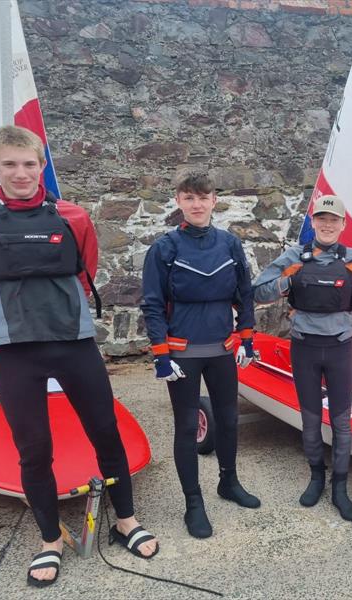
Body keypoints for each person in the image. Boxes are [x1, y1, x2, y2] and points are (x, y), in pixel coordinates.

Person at [0, 126, 158, 587]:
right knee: (34, 449)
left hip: (73, 343)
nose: (21, 173)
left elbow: (83, 270)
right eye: (10, 164)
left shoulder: (73, 216)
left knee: (105, 431)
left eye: (29, 163)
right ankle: (49, 539)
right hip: (14, 352)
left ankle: (126, 520)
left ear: (41, 166)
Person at [253, 194, 352, 521]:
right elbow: (258, 291)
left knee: (342, 419)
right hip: (304, 346)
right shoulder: (294, 256)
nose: (327, 225)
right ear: (313, 222)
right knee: (311, 417)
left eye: (334, 220)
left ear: (343, 225)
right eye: (322, 219)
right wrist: (290, 280)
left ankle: (340, 487)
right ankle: (316, 477)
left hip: (341, 346)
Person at [140, 170, 259, 539]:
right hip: (182, 355)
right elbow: (153, 304)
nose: (196, 204)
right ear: (178, 201)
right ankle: (193, 503)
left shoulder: (229, 244)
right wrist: (160, 355)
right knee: (188, 427)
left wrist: (248, 339)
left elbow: (245, 294)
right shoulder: (165, 248)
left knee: (227, 420)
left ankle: (229, 482)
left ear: (213, 201)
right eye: (189, 198)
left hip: (222, 350)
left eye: (202, 197)